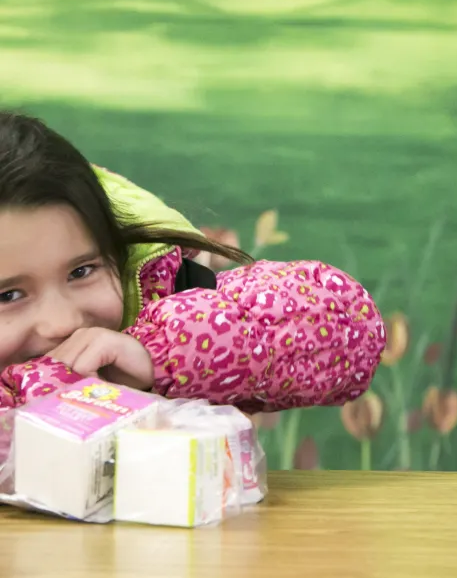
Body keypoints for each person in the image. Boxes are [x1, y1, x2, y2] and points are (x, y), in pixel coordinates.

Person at [0, 112, 385, 413]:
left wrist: (162, 354)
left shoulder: (157, 289)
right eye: (8, 295)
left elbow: (348, 325)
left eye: (82, 271)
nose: (63, 322)